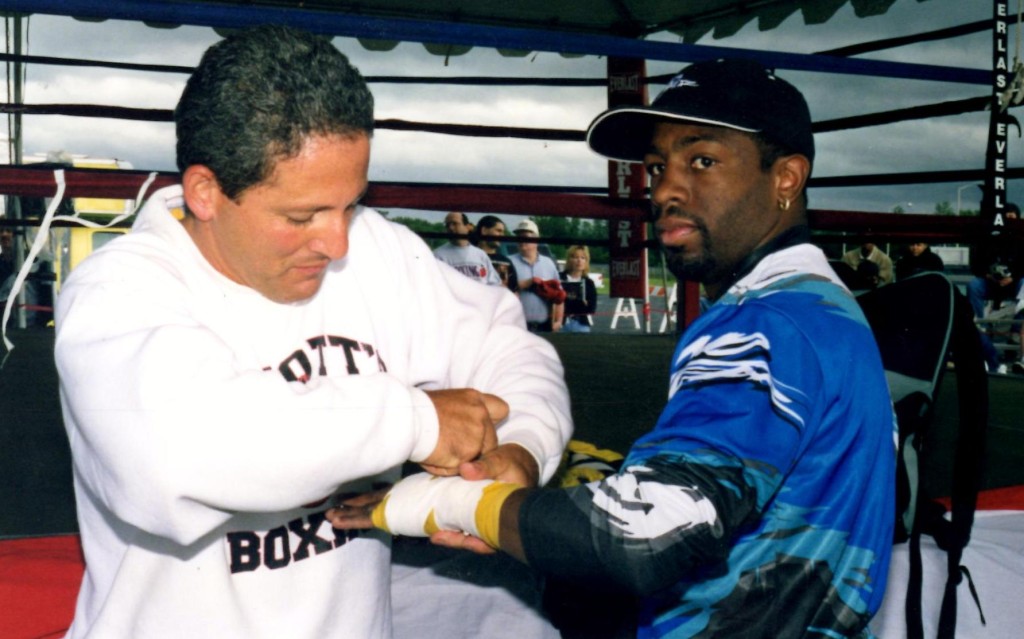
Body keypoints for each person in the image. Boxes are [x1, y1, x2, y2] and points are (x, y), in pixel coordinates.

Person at [330, 58, 896, 637]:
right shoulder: (818, 308)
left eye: (702, 160)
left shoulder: (763, 327)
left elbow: (636, 538)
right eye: (657, 167)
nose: (667, 189)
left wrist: (437, 502)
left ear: (786, 178)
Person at [53, 25, 571, 639]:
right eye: (302, 217)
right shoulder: (119, 296)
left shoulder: (380, 254)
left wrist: (522, 449)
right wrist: (416, 423)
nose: (338, 242)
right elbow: (183, 452)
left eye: (350, 203)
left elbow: (507, 347)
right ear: (205, 193)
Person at [967, 203, 1024, 373]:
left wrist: (1013, 276)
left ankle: (1018, 326)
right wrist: (988, 275)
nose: (1008, 221)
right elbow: (976, 264)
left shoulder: (1021, 239)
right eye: (1005, 217)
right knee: (973, 285)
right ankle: (979, 323)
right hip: (992, 283)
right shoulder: (989, 238)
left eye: (1012, 217)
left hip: (1014, 283)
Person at [510, 219, 564, 332]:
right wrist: (526, 283)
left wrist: (558, 321)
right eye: (518, 237)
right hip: (517, 327)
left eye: (525, 236)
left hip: (544, 327)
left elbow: (559, 296)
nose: (521, 240)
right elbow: (500, 290)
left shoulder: (548, 263)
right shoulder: (509, 262)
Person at [433, 211, 503, 286]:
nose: (451, 228)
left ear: (467, 227)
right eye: (447, 225)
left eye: (455, 223)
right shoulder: (438, 255)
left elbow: (494, 284)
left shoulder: (480, 254)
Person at [472, 214, 518, 293]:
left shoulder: (506, 262)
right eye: (498, 231)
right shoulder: (469, 257)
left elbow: (514, 292)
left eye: (503, 232)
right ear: (484, 231)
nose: (502, 235)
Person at [559, 245, 597, 333]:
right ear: (569, 259)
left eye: (583, 258)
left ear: (586, 261)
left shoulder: (589, 283)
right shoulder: (559, 278)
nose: (579, 261)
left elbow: (591, 309)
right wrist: (579, 304)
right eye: (576, 257)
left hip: (581, 324)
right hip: (561, 324)